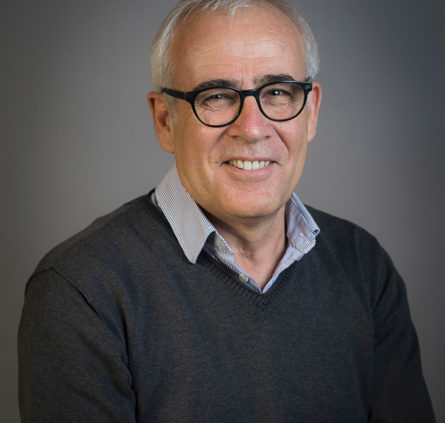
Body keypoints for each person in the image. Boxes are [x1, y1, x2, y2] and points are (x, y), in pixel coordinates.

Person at [18, 0, 436, 421]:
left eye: (277, 93)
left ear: (310, 112)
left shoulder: (363, 266)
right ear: (165, 121)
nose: (252, 128)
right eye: (216, 96)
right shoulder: (81, 290)